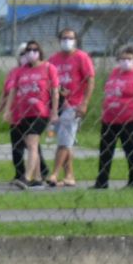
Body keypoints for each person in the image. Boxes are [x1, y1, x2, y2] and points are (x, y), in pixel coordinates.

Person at [0, 40, 58, 189]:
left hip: (40, 112)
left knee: (31, 143)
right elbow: (13, 91)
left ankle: (26, 177)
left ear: (40, 52)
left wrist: (54, 112)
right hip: (24, 112)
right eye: (28, 50)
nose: (31, 53)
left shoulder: (48, 68)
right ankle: (37, 179)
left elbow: (55, 91)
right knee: (33, 146)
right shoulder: (21, 71)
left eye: (34, 50)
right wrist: (7, 110)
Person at [95, 45, 133, 191]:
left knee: (131, 150)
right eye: (123, 59)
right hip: (109, 120)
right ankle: (102, 182)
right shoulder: (114, 73)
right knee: (105, 151)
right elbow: (108, 93)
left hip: (130, 119)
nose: (126, 61)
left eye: (129, 59)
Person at [46, 28, 95, 188]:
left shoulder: (82, 57)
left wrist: (85, 102)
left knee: (64, 141)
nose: (67, 41)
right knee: (66, 141)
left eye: (71, 38)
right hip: (58, 104)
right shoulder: (54, 59)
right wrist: (59, 91)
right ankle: (69, 176)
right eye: (64, 38)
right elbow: (50, 82)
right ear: (59, 40)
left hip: (74, 104)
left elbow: (90, 80)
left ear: (75, 40)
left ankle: (54, 174)